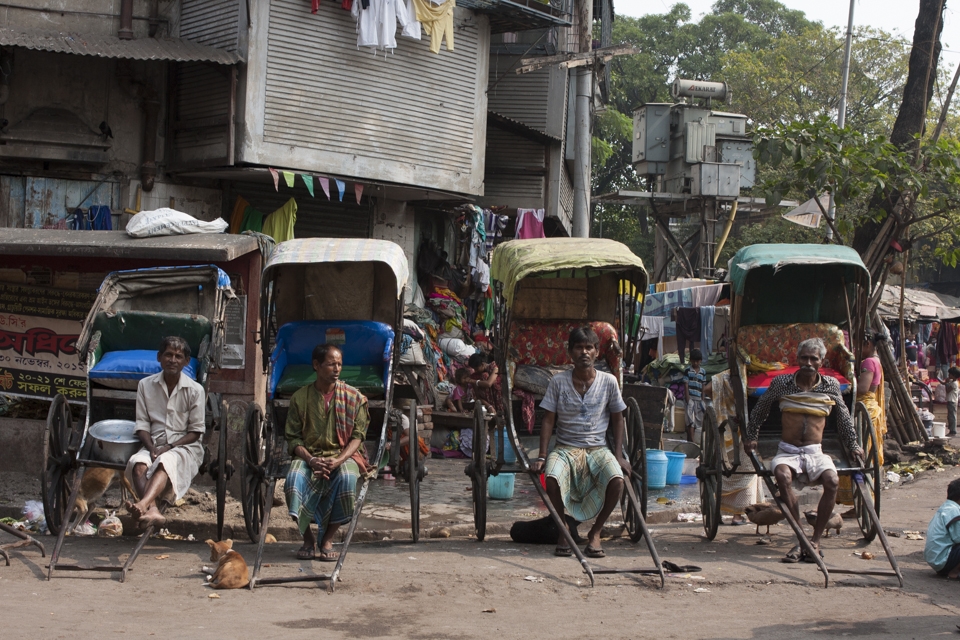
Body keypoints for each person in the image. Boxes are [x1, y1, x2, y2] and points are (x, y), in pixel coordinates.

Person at [745, 338, 864, 563]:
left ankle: (815, 541)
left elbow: (843, 417)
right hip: (787, 450)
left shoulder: (830, 385)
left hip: (815, 451)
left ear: (821, 361)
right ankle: (801, 538)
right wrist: (752, 436)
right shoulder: (782, 383)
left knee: (832, 481)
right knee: (782, 476)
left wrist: (853, 445)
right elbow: (761, 408)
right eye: (804, 358)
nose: (808, 363)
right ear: (798, 359)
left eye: (813, 359)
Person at [530, 326, 629, 558]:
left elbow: (618, 419)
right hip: (565, 448)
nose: (584, 352)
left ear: (596, 352)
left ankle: (596, 532)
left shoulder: (609, 381)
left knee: (617, 481)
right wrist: (542, 455)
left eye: (589, 347)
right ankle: (564, 527)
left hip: (597, 448)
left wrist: (618, 455)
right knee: (551, 478)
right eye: (579, 347)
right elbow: (548, 420)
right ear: (570, 353)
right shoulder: (558, 382)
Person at [284, 344, 370, 561]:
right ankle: (308, 539)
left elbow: (358, 437)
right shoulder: (299, 398)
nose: (337, 369)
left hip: (343, 455)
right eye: (331, 364)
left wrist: (338, 460)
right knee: (293, 479)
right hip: (308, 456)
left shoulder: (354, 398)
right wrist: (311, 459)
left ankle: (328, 539)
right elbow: (293, 438)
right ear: (316, 365)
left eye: (339, 364)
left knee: (348, 478)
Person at [124, 336, 205, 529]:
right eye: (168, 355)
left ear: (186, 361)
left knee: (165, 461)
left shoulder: (195, 390)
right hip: (154, 444)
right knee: (138, 464)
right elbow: (142, 424)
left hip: (184, 447)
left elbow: (195, 432)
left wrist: (169, 447)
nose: (173, 360)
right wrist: (151, 447)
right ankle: (152, 510)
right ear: (159, 357)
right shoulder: (145, 385)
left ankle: (143, 504)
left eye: (178, 356)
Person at [858, 333, 888, 464]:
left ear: (867, 344)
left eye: (858, 346)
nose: (856, 350)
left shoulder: (869, 362)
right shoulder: (877, 360)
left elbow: (863, 388)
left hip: (866, 405)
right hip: (871, 405)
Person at [925, 478, 960, 577]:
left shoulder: (946, 507)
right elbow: (958, 537)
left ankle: (949, 569)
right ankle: (954, 572)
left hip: (936, 558)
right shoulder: (953, 511)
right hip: (942, 559)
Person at [683, 348, 711, 445]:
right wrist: (688, 400)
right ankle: (693, 443)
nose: (695, 363)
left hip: (699, 399)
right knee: (691, 421)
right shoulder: (687, 371)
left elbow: (703, 386)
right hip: (690, 398)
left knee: (697, 422)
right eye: (694, 361)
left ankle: (690, 441)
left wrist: (702, 399)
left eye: (697, 361)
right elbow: (686, 385)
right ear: (691, 360)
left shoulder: (703, 372)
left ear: (700, 361)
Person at [945, 367, 960, 437]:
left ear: (954, 375)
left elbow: (948, 390)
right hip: (951, 401)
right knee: (950, 416)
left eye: (950, 374)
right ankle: (951, 429)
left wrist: (946, 383)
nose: (949, 375)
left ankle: (953, 430)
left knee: (952, 416)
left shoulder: (954, 383)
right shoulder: (952, 381)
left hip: (952, 401)